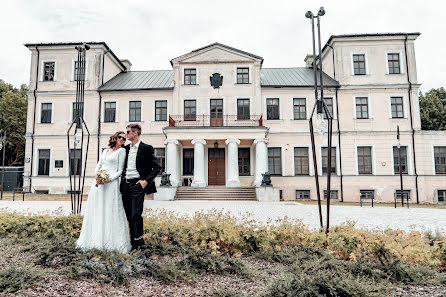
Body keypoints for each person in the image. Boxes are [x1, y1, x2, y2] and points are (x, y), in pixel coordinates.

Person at [76, 131, 132, 253]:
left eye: (124, 138)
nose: (122, 139)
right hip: (98, 183)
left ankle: (112, 243)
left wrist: (108, 179)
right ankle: (95, 240)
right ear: (115, 137)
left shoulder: (121, 151)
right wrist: (97, 176)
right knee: (97, 209)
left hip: (111, 184)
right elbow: (98, 165)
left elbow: (120, 171)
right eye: (120, 137)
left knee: (109, 210)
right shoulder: (105, 151)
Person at [121, 124, 161, 250]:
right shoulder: (125, 149)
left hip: (137, 185)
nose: (126, 134)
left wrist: (145, 181)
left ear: (135, 133)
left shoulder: (146, 148)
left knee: (136, 214)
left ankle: (139, 242)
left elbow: (157, 167)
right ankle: (133, 242)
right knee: (128, 215)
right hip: (125, 185)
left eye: (128, 132)